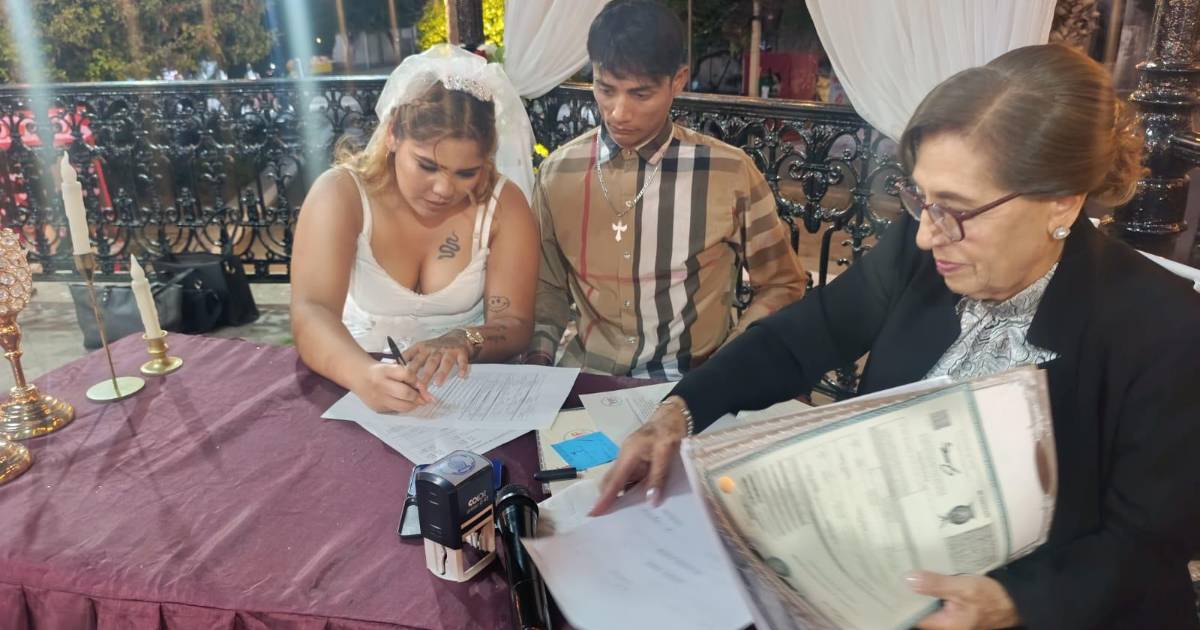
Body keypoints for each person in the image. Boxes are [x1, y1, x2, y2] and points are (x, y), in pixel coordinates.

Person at [594, 44, 1200, 629]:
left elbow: (1145, 545)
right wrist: (679, 411)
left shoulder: (1163, 327)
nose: (928, 235)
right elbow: (802, 336)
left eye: (956, 209)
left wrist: (1010, 603)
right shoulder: (920, 255)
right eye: (922, 199)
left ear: (1060, 203)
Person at [527, 0, 807, 380]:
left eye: (640, 94)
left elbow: (782, 283)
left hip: (691, 384)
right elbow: (546, 287)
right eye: (605, 89)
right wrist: (538, 362)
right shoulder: (558, 174)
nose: (618, 113)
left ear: (677, 81)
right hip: (587, 378)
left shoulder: (729, 172)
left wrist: (728, 364)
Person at [291, 45, 539, 413]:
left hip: (466, 399)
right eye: (427, 165)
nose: (443, 189)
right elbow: (312, 311)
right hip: (353, 382)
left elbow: (514, 322)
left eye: (466, 173)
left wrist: (465, 338)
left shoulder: (504, 205)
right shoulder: (340, 195)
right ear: (392, 134)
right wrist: (363, 375)